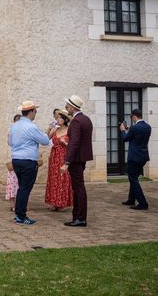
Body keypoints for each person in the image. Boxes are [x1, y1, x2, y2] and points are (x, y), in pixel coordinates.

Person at [8, 100, 50, 225]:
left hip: (16, 160)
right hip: (28, 161)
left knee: (22, 188)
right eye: (35, 111)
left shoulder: (15, 125)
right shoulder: (31, 126)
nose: (36, 113)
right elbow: (45, 141)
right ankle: (21, 216)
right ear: (30, 112)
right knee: (25, 189)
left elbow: (10, 142)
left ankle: (19, 215)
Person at [61, 95, 94, 228]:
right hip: (82, 158)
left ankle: (80, 218)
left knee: (78, 188)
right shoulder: (86, 119)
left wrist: (67, 162)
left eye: (67, 106)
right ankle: (78, 217)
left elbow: (75, 143)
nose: (66, 108)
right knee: (79, 187)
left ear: (73, 107)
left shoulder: (76, 121)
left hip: (75, 159)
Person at [119, 108, 151, 210]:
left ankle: (143, 203)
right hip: (143, 157)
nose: (131, 119)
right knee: (134, 178)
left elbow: (125, 139)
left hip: (134, 157)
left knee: (133, 179)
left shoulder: (134, 128)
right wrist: (129, 129)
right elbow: (137, 136)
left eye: (131, 117)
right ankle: (131, 199)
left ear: (134, 116)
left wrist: (123, 130)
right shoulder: (148, 127)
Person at [45, 110, 73, 211]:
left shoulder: (69, 130)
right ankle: (53, 202)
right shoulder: (55, 130)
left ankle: (62, 203)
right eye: (58, 118)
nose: (58, 119)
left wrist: (64, 143)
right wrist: (49, 128)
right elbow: (46, 139)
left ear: (65, 120)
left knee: (62, 179)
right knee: (53, 178)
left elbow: (73, 145)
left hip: (63, 157)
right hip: (54, 157)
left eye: (60, 118)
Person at [5, 114, 22, 211]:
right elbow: (10, 143)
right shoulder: (11, 131)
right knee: (12, 182)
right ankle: (12, 204)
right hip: (14, 158)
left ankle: (20, 204)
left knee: (21, 183)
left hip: (21, 158)